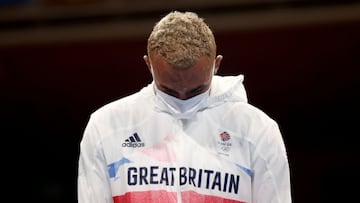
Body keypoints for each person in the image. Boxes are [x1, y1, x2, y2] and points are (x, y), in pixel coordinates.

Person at [77, 10, 292, 203]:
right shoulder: (107, 127)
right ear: (148, 64)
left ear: (216, 65)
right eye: (169, 91)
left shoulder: (257, 130)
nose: (182, 101)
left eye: (195, 90)